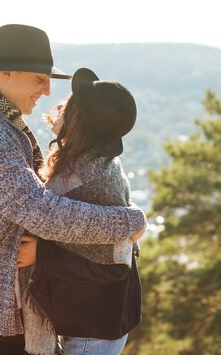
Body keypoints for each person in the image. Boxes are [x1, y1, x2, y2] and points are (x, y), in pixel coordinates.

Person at [0, 24, 147, 355]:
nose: (47, 91)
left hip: (23, 309)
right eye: (39, 79)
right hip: (4, 310)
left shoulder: (4, 124)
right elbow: (42, 213)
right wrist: (130, 223)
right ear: (6, 73)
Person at [19, 68, 142, 355]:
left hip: (95, 328)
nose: (60, 104)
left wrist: (42, 254)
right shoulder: (85, 162)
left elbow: (113, 264)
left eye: (71, 103)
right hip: (90, 319)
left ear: (80, 122)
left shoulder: (92, 178)